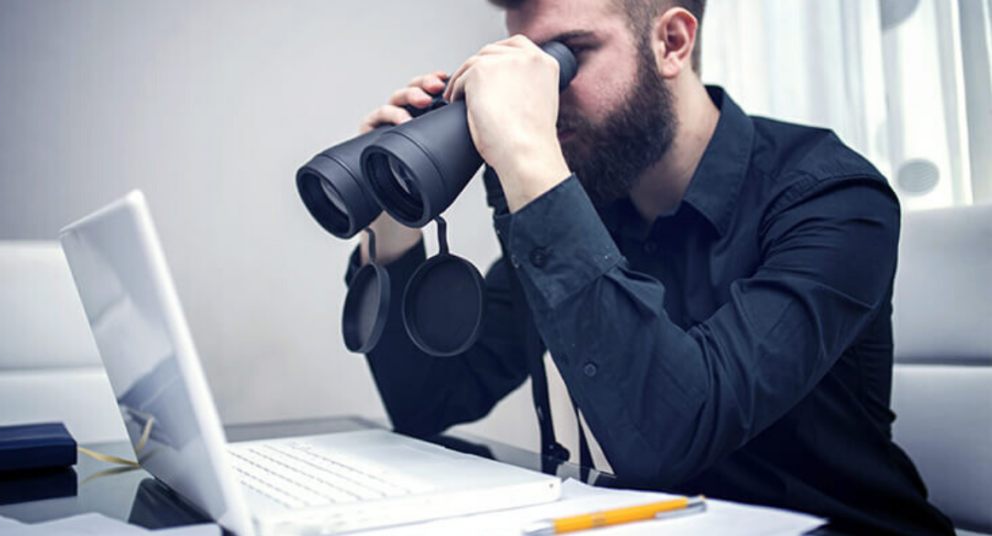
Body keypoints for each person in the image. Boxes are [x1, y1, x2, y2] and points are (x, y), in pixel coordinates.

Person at [344, 1, 953, 534]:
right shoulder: (597, 210)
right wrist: (394, 228)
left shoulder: (833, 199)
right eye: (526, 66)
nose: (537, 96)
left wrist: (527, 156)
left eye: (566, 56)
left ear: (672, 43)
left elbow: (675, 430)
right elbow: (431, 399)